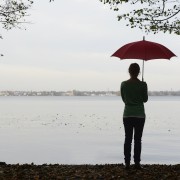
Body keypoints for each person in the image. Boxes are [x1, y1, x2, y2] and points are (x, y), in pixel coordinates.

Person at [120, 63, 148, 170]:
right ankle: (137, 163)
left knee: (128, 138)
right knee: (137, 139)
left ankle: (127, 163)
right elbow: (145, 99)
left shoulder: (123, 84)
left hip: (127, 114)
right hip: (140, 115)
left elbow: (124, 99)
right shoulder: (143, 84)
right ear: (139, 72)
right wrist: (142, 86)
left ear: (129, 71)